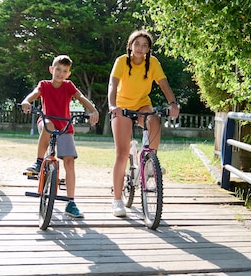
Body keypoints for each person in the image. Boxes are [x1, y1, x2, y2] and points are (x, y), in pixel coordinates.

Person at [107, 30, 180, 217]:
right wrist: (113, 105)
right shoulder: (122, 61)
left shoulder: (153, 63)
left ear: (148, 49)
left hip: (142, 104)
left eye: (144, 45)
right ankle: (117, 200)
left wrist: (173, 103)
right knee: (122, 153)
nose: (140, 48)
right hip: (122, 106)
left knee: (154, 120)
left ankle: (149, 162)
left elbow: (164, 85)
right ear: (130, 45)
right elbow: (113, 85)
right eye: (137, 44)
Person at [21, 54, 99, 219]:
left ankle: (71, 202)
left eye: (64, 71)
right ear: (51, 69)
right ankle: (39, 161)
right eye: (58, 69)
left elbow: (81, 97)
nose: (60, 73)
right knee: (48, 125)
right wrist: (26, 101)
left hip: (64, 125)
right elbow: (34, 94)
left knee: (69, 161)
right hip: (47, 121)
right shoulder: (45, 85)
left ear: (68, 74)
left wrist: (93, 110)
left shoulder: (68, 86)